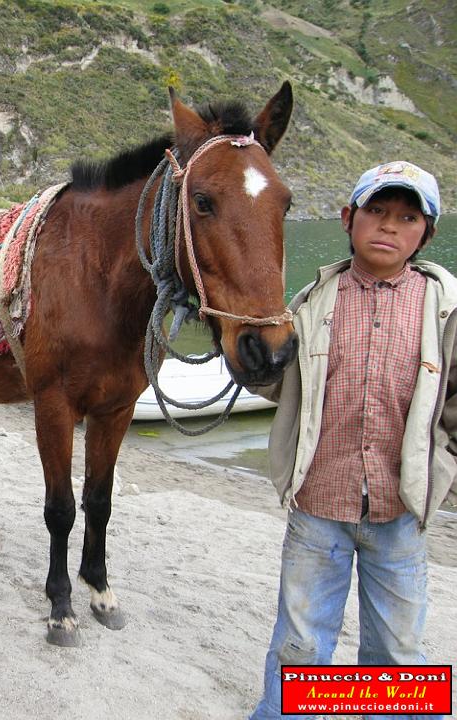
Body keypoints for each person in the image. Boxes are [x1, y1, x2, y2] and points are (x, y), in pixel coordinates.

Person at [249, 160, 455, 720]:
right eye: (376, 211)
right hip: (318, 504)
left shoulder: (445, 310)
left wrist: (444, 465)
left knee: (397, 652)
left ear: (426, 233)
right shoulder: (311, 303)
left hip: (400, 510)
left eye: (407, 217)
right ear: (348, 218)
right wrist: (246, 344)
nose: (388, 226)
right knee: (301, 643)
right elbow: (275, 384)